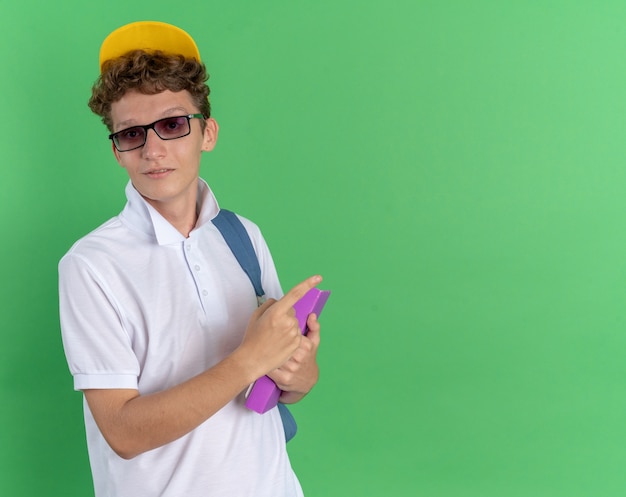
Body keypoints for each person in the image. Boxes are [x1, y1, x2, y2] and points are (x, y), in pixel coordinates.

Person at [58, 21, 323, 497]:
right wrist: (248, 360)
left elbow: (283, 386)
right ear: (117, 151)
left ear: (207, 133)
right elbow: (121, 431)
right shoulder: (90, 265)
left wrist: (300, 372)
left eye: (173, 124)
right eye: (131, 134)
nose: (153, 149)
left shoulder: (243, 235)